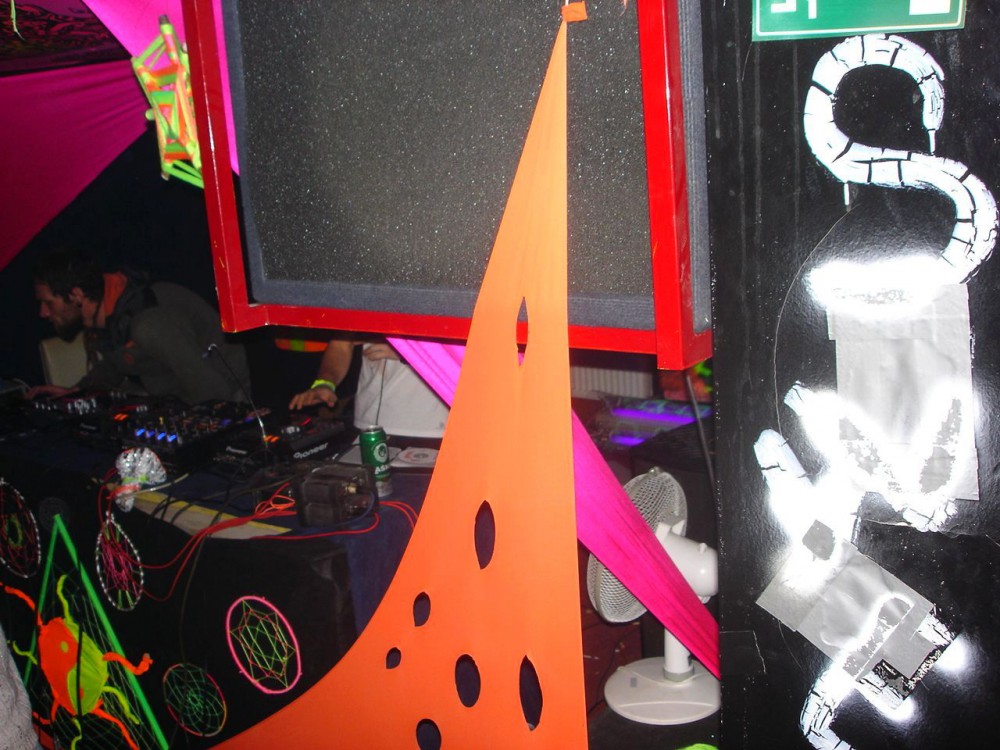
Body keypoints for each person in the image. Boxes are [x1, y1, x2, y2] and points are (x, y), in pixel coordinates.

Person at [27, 247, 251, 406]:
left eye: (48, 303)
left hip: (234, 398)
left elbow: (211, 391)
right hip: (184, 396)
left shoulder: (148, 323)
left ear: (76, 295)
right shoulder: (110, 315)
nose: (43, 313)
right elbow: (118, 362)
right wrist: (78, 392)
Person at [289, 338, 448, 439]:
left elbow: (460, 349)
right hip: (368, 423)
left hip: (432, 427)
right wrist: (325, 383)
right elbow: (341, 345)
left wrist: (409, 351)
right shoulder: (365, 296)